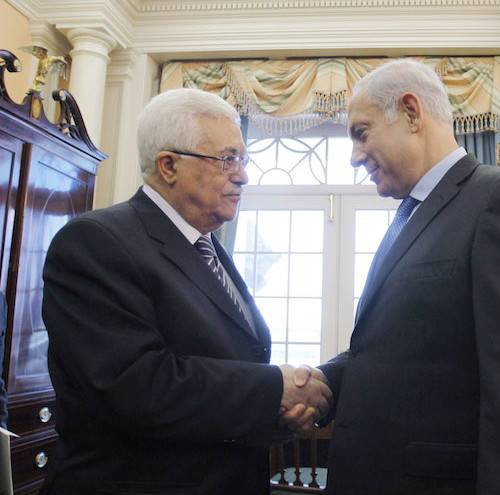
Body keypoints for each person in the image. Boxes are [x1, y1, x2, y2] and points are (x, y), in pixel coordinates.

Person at [40, 88, 331, 495]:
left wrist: (278, 415)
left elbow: (231, 359)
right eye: (227, 159)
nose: (243, 174)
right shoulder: (96, 242)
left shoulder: (209, 246)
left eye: (243, 159)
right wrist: (272, 389)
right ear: (169, 165)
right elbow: (135, 386)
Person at [318, 60, 500, 495]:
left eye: (361, 133)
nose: (354, 155)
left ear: (412, 113)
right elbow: (400, 351)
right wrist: (322, 381)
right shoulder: (409, 215)